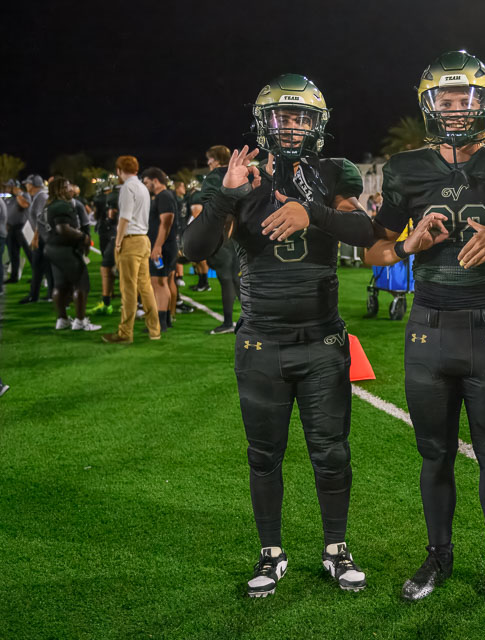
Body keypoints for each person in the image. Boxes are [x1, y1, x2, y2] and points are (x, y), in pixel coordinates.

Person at [364, 51, 485, 604]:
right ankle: (438, 556)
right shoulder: (405, 169)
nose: (454, 109)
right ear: (429, 106)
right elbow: (374, 250)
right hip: (428, 328)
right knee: (434, 454)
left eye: (465, 98)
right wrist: (407, 244)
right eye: (444, 100)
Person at [182, 74, 375, 598]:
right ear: (263, 122)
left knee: (331, 452)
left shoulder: (333, 172)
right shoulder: (234, 174)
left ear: (317, 124)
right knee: (263, 454)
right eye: (282, 117)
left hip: (322, 341)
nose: (291, 126)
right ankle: (271, 552)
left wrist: (312, 211)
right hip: (261, 342)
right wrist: (227, 195)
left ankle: (336, 548)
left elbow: (364, 233)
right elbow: (195, 248)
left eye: (301, 117)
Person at [102, 155, 162, 343]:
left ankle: (125, 333)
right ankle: (154, 330)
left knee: (128, 289)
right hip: (144, 240)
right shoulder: (143, 187)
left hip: (131, 241)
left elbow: (125, 218)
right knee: (145, 288)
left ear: (119, 170)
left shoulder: (128, 187)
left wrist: (118, 242)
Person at [39, 177, 100, 332]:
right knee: (81, 284)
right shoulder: (61, 205)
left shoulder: (49, 205)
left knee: (60, 285)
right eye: (67, 186)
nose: (70, 189)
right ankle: (80, 321)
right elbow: (63, 229)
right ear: (60, 190)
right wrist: (83, 237)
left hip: (52, 248)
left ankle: (62, 319)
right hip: (65, 249)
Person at [194, 146, 241, 334]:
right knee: (236, 279)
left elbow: (210, 210)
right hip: (238, 235)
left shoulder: (214, 177)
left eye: (210, 159)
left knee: (226, 278)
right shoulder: (238, 174)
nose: (208, 162)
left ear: (217, 159)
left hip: (222, 233)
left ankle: (228, 322)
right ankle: (252, 320)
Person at [141, 168, 179, 331]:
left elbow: (167, 221)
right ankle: (166, 320)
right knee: (164, 282)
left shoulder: (163, 196)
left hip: (163, 247)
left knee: (159, 283)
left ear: (155, 180)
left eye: (146, 182)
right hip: (166, 245)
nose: (145, 186)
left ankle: (160, 322)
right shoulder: (166, 195)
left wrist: (157, 246)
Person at [21, 175, 53, 304]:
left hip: (42, 237)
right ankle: (47, 294)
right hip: (43, 237)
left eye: (28, 183)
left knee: (39, 266)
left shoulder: (41, 197)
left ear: (33, 185)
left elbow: (41, 219)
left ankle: (34, 295)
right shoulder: (39, 196)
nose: (26, 186)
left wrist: (35, 237)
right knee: (45, 267)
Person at [91, 180, 119, 315]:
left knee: (107, 266)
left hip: (113, 232)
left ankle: (108, 299)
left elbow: (105, 215)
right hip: (134, 235)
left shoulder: (108, 197)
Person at [4, 180, 30, 284]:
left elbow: (25, 205)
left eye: (9, 187)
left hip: (22, 228)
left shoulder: (24, 195)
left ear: (14, 187)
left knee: (30, 253)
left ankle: (37, 276)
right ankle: (14, 277)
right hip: (11, 229)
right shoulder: (8, 198)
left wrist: (18, 193)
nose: (7, 189)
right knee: (13, 254)